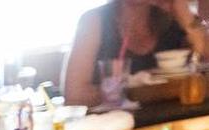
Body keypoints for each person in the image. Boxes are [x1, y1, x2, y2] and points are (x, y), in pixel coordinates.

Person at [63, 0, 209, 107]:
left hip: (174, 123)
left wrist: (186, 17)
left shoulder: (174, 17)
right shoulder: (94, 20)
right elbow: (74, 96)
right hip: (114, 128)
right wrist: (128, 90)